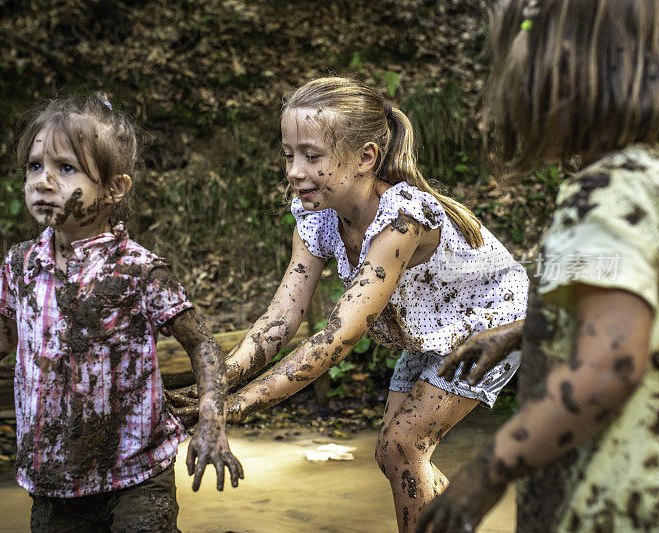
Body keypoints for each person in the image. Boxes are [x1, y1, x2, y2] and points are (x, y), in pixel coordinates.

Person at [0, 93, 243, 532]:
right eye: (34, 166)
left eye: (65, 168)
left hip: (136, 474)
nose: (42, 181)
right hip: (54, 483)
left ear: (114, 188)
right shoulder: (21, 266)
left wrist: (212, 422)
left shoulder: (139, 270)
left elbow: (200, 342)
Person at [172, 77, 528, 532]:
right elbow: (280, 319)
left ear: (365, 159)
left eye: (312, 156)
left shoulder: (402, 219)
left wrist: (237, 406)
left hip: (490, 321)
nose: (294, 171)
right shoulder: (315, 216)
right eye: (288, 155)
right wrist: (217, 386)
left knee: (405, 445)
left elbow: (338, 337)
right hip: (427, 331)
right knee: (390, 453)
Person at [416, 1, 659, 531]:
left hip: (604, 504)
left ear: (563, 74)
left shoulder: (605, 192)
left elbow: (611, 365)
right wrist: (523, 330)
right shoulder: (648, 176)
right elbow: (635, 308)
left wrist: (487, 473)